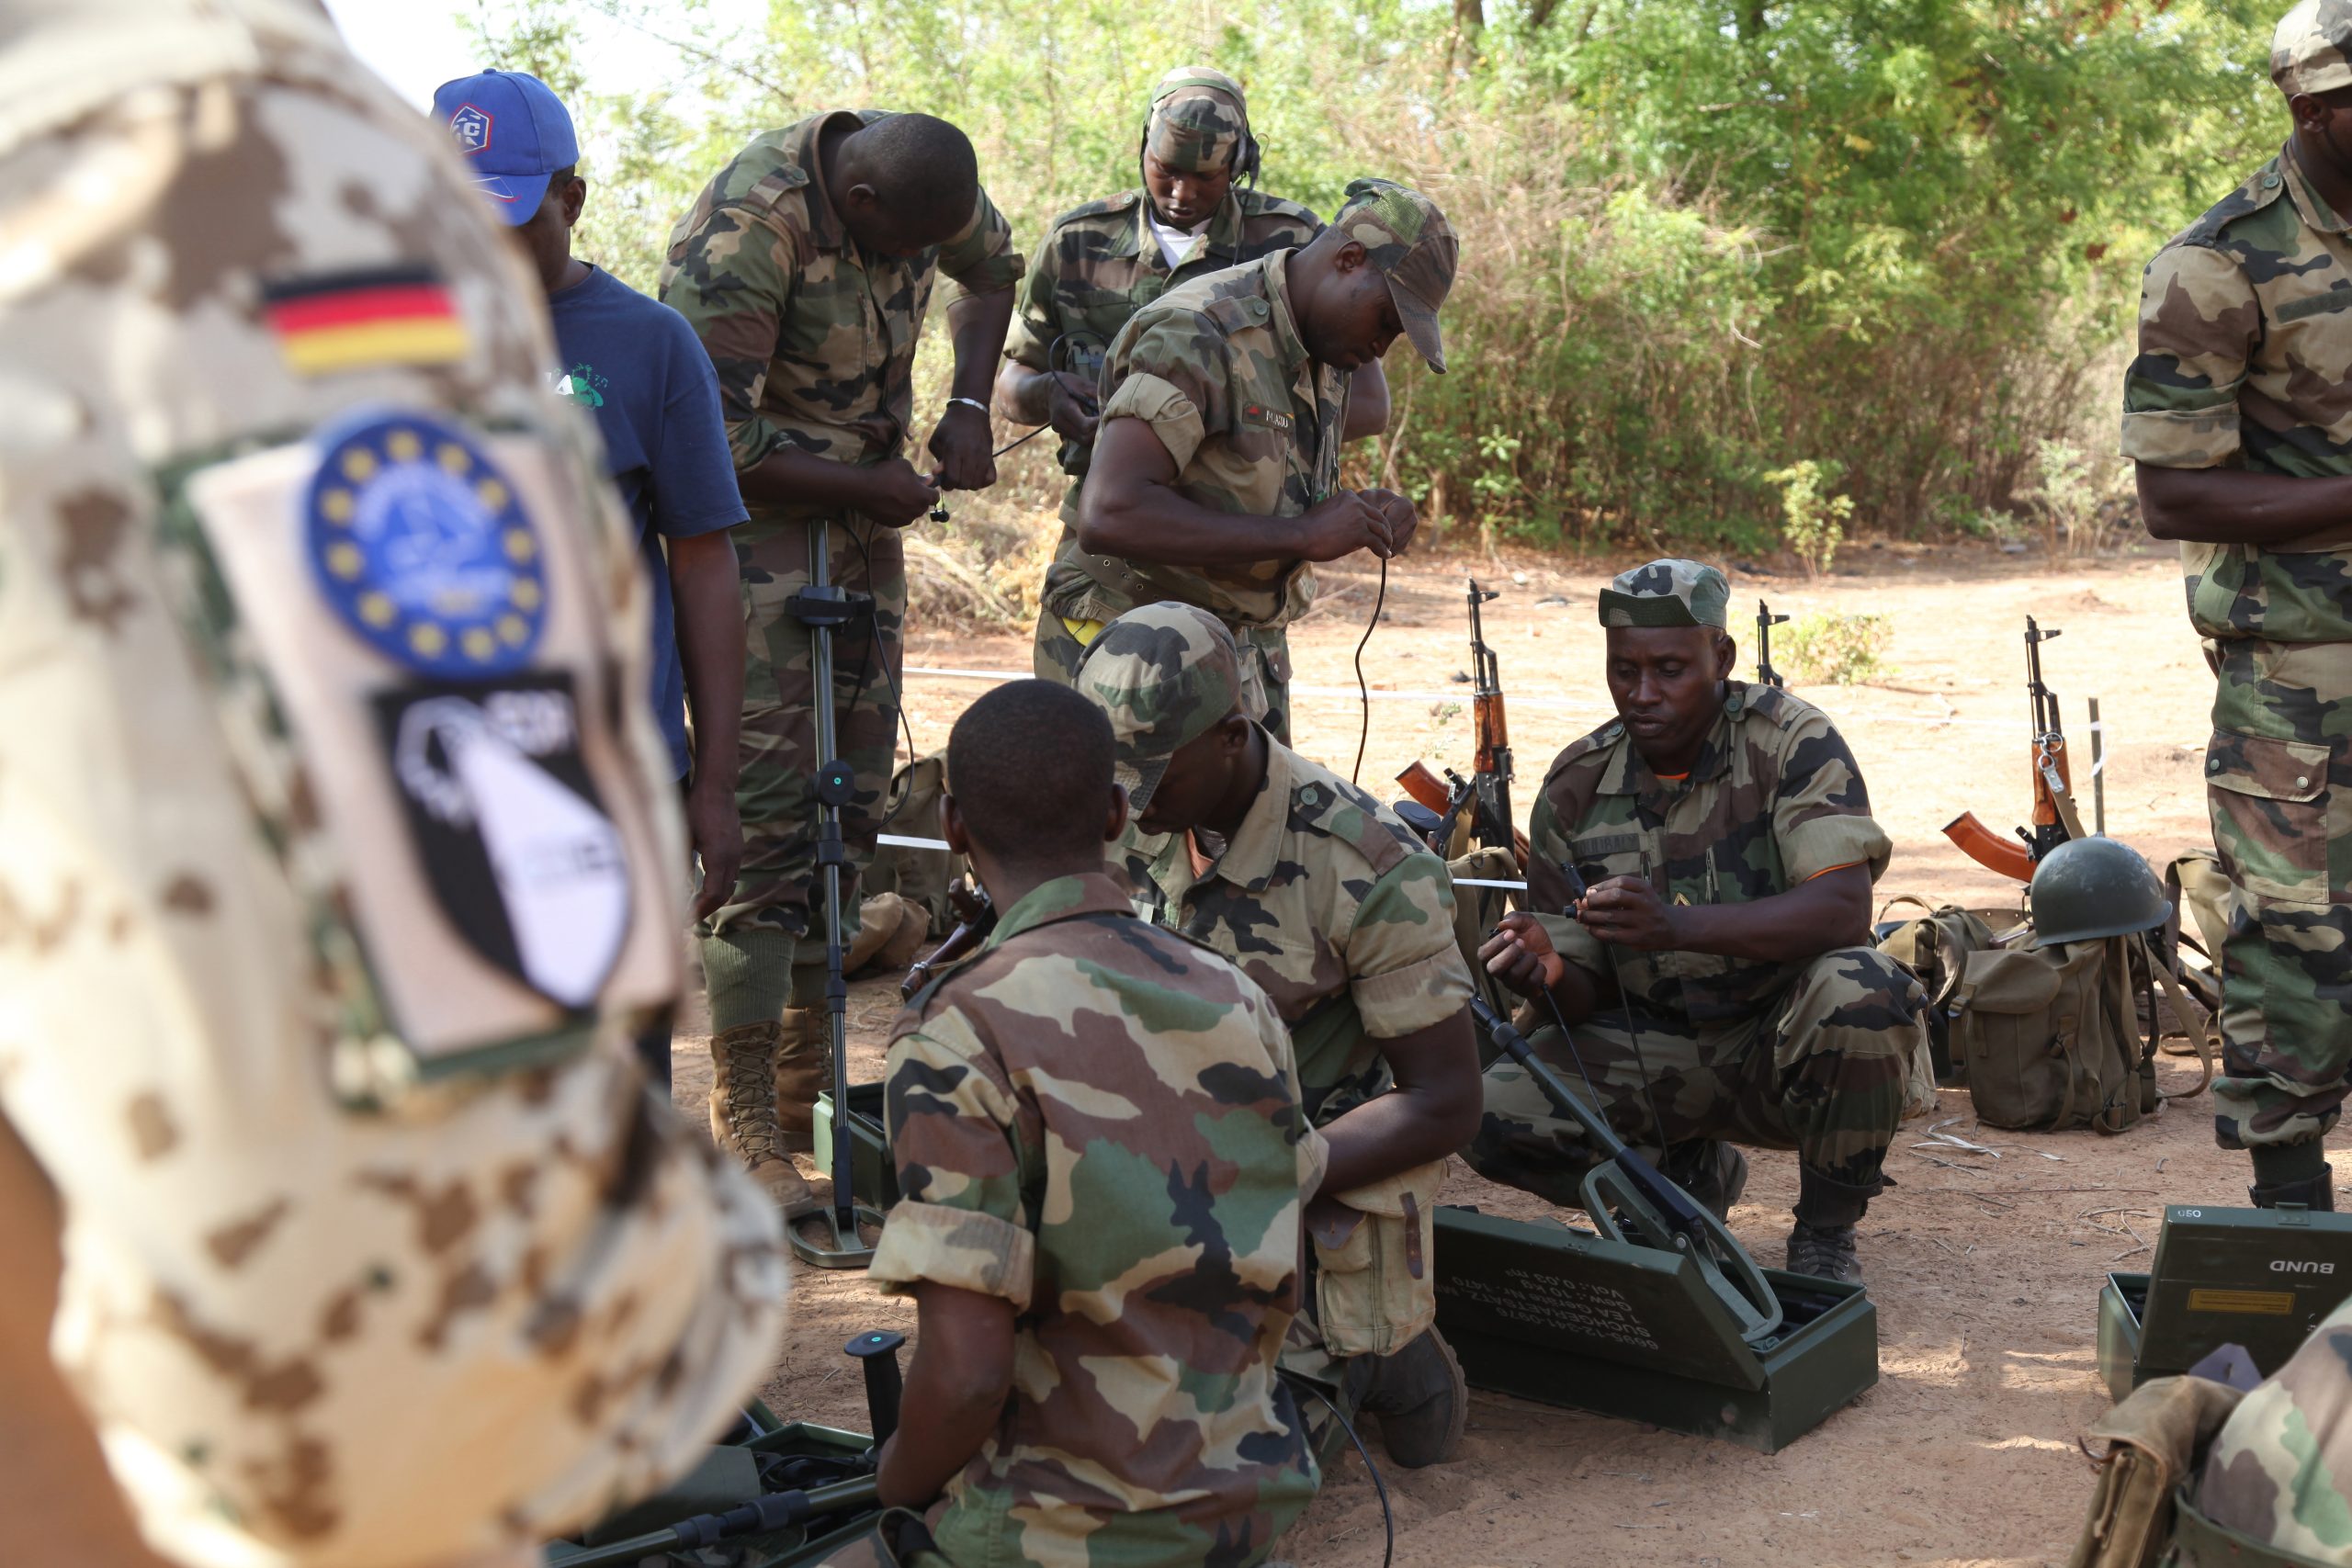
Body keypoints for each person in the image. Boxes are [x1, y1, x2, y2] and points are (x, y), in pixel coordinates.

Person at [0, 3, 788, 1566]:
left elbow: (675, 568)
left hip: (328, 1316)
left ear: (572, 197)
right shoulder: (319, 201)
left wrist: (705, 781)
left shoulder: (197, 189)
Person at [867, 679, 1320, 1563]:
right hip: (1243, 1507)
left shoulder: (960, 1030)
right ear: (1117, 812)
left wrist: (894, 1484)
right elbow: (1280, 1261)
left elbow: (965, 1374)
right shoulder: (1238, 998)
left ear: (953, 826)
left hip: (1051, 1530)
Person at [659, 110, 1021, 1214]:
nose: (919, 261)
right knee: (768, 813)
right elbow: (706, 442)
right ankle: (744, 1117)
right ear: (859, 205)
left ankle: (808, 1089)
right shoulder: (746, 234)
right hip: (750, 541)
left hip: (865, 534)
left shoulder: (924, 193)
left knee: (851, 798)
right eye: (904, 245)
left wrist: (967, 406)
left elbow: (994, 269)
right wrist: (867, 484)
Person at [1072, 602, 1483, 1468]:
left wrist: (1262, 1177)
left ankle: (1378, 1351)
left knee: (1224, 1475)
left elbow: (1445, 1100)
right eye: (1113, 775)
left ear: (1233, 736)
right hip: (1161, 1177)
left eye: (1151, 778)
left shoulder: (1367, 866)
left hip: (1298, 1196)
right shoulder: (1128, 812)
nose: (1127, 806)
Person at [1465, 559, 1921, 1284]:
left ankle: (1825, 1230)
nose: (1642, 693)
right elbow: (1583, 996)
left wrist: (1677, 928)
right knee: (1483, 1110)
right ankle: (1680, 1184)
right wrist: (1546, 971)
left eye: (1670, 669)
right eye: (1624, 670)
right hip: (1650, 1044)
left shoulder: (1792, 742)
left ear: (1722, 657)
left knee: (1862, 987)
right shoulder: (1576, 786)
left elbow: (1842, 910)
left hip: (1780, 1040)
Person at [433, 68, 749, 1100]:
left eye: (509, 219)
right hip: (439, 768)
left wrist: (714, 785)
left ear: (571, 198)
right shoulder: (386, 333)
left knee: (616, 1077)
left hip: (610, 772)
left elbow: (702, 562)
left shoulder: (649, 344)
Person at [2126, 0, 2352, 1212]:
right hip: (2300, 671)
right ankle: (2293, 1217)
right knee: (2298, 937)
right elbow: (2174, 493)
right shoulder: (2217, 265)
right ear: (2313, 108)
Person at [999, 65, 1390, 699]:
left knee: (1238, 758)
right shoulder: (1078, 242)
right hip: (1119, 563)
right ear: (1142, 150)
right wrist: (1048, 395)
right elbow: (1012, 385)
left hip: (1242, 578)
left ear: (1241, 164)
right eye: (1166, 170)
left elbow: (1367, 404)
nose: (1181, 192)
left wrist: (1232, 415)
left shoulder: (1292, 242)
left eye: (1205, 176)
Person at [1073, 178, 1456, 741]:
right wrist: (1302, 536)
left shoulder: (1322, 348)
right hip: (1134, 648)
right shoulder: (1198, 332)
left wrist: (1356, 513)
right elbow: (1110, 513)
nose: (1382, 347)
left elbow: (1256, 477)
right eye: (1385, 321)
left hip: (1242, 649)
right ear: (1349, 259)